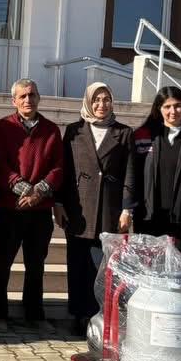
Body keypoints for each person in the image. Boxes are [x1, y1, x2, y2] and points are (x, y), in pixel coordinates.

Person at [54, 82, 133, 335]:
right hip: (79, 207)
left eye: (106, 99)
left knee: (104, 266)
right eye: (96, 100)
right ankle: (79, 315)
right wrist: (58, 203)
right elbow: (65, 170)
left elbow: (130, 173)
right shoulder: (74, 130)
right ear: (88, 102)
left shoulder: (124, 133)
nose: (101, 105)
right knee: (78, 264)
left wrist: (127, 209)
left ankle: (101, 315)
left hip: (110, 208)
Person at [0, 79, 63, 329]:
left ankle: (34, 314)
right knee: (1, 263)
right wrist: (22, 188)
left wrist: (39, 191)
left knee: (35, 265)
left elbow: (58, 167)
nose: (28, 100)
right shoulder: (3, 127)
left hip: (39, 211)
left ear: (39, 98)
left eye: (32, 95)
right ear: (14, 101)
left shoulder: (52, 130)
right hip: (9, 208)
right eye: (22, 96)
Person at [126, 85, 181, 263]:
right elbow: (133, 176)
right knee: (150, 272)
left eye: (178, 106)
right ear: (159, 109)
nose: (173, 111)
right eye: (167, 106)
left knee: (178, 273)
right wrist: (128, 209)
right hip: (149, 218)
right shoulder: (143, 136)